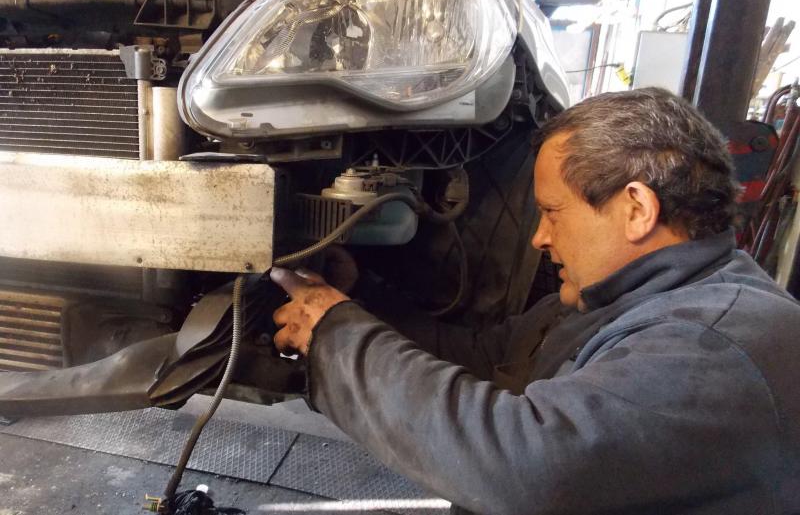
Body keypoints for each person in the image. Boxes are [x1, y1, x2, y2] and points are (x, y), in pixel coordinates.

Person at [270, 87, 800, 514]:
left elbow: (530, 466)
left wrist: (338, 336)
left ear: (636, 209)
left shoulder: (717, 340)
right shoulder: (620, 303)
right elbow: (484, 357)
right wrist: (356, 301)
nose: (539, 238)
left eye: (551, 212)